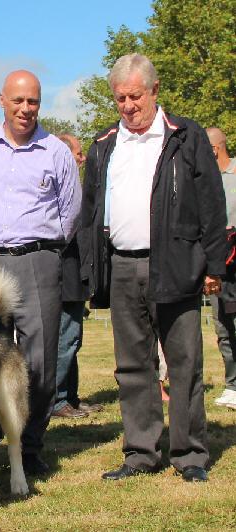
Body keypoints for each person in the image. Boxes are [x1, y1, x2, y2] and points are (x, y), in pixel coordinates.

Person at [80, 53, 225, 483]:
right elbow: (90, 212)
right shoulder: (105, 145)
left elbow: (212, 206)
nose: (128, 105)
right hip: (123, 265)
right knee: (131, 365)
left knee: (184, 362)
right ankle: (141, 451)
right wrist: (92, 270)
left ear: (155, 91)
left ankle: (190, 454)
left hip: (177, 263)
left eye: (135, 96)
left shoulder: (187, 137)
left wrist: (214, 265)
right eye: (120, 98)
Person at [0, 70, 81, 475]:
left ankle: (28, 448)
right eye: (18, 101)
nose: (26, 109)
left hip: (38, 260)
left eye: (33, 102)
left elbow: (70, 212)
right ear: (2, 100)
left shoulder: (56, 151)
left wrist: (40, 248)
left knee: (39, 360)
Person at [52, 133, 103, 418]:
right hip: (64, 275)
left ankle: (70, 395)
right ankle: (57, 401)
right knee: (65, 338)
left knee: (74, 339)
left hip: (77, 276)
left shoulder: (77, 190)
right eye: (78, 153)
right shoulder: (60, 192)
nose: (82, 158)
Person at [206, 127, 236, 409]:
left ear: (214, 149)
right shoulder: (205, 181)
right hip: (219, 263)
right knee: (222, 325)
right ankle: (232, 384)